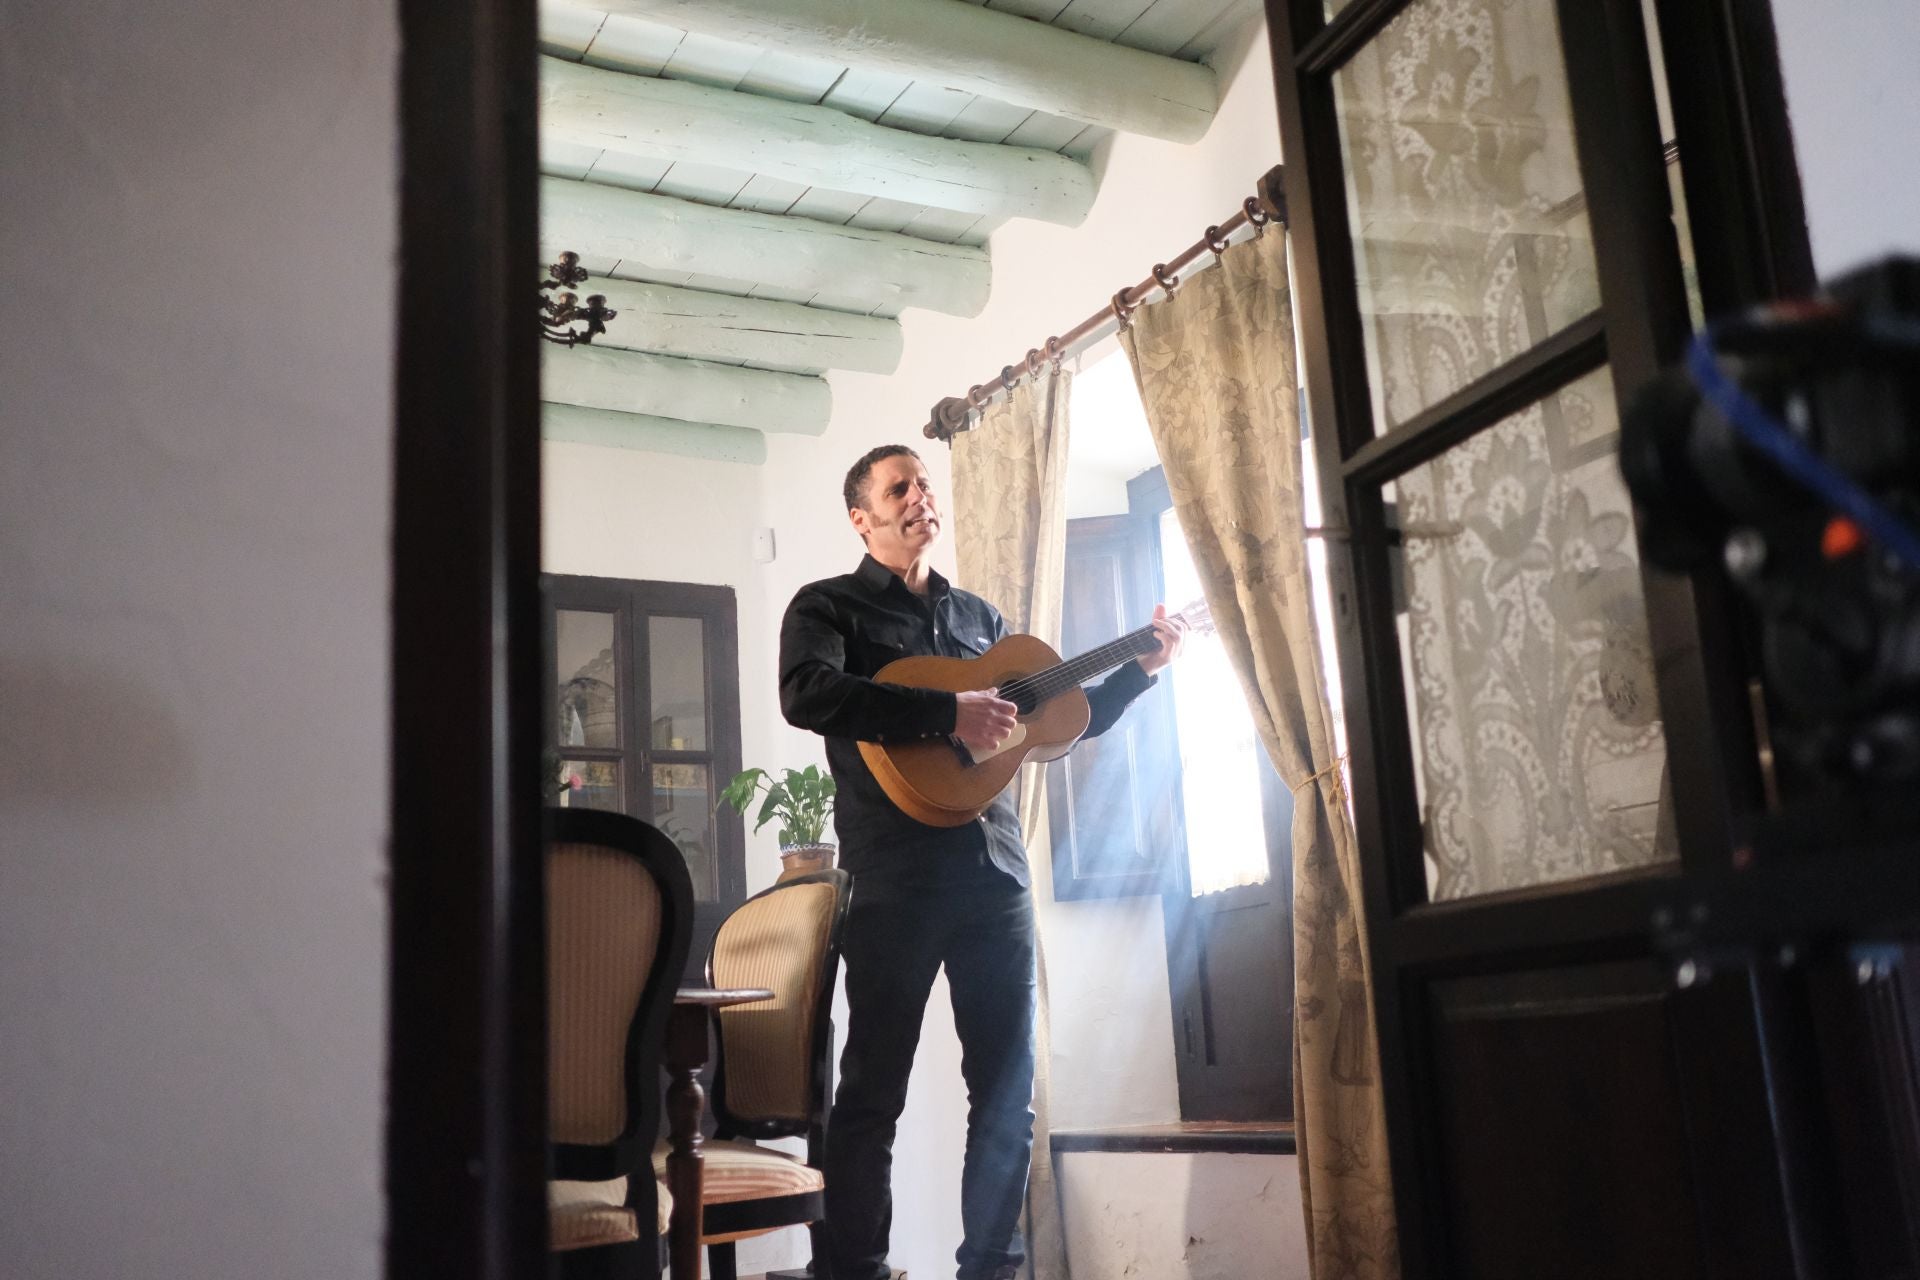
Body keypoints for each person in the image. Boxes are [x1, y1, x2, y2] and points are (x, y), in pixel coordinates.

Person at [778, 444, 1186, 1280]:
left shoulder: (982, 621)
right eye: (899, 488)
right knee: (873, 1093)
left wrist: (1138, 674)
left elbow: (1054, 723)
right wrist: (944, 713)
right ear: (862, 518)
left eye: (924, 483)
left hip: (995, 875)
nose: (919, 496)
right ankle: (854, 1269)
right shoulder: (828, 607)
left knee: (1006, 1094)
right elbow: (806, 692)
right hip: (893, 878)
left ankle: (991, 1270)